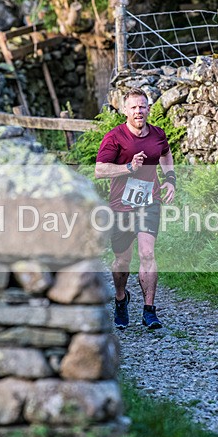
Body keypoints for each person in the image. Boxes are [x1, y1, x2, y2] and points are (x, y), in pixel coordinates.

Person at [95, 87, 176, 330]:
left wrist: (169, 179)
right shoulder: (114, 137)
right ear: (124, 111)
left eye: (142, 106)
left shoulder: (158, 135)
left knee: (148, 253)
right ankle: (121, 299)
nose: (138, 111)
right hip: (121, 205)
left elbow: (165, 153)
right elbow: (100, 170)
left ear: (148, 108)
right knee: (122, 260)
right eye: (133, 107)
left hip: (149, 201)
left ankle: (149, 311)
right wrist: (128, 168)